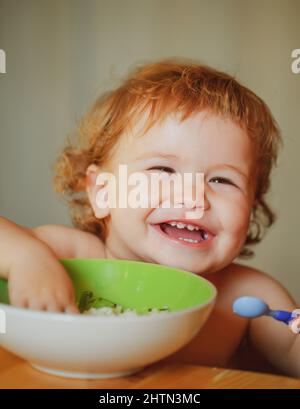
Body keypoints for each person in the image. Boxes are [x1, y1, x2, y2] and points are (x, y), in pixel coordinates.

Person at [0, 58, 299, 377]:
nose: (192, 196)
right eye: (164, 170)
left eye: (222, 180)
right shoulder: (73, 257)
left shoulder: (249, 297)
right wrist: (27, 258)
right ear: (104, 192)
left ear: (252, 206)